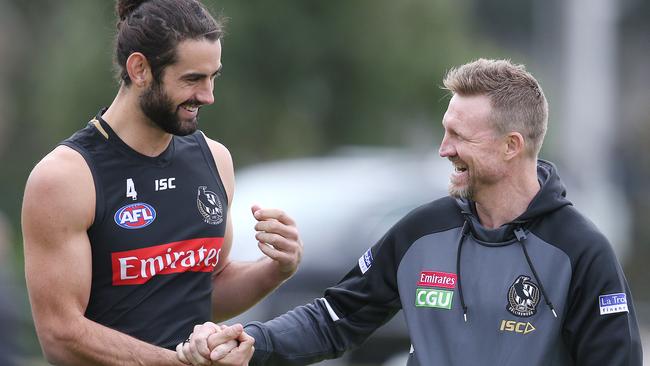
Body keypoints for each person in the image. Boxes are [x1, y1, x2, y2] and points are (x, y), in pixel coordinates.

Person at [181, 59, 643, 365]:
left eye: (461, 137)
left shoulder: (580, 251)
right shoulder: (422, 232)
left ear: (511, 147)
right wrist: (254, 341)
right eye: (445, 132)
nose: (444, 150)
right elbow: (335, 317)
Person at [21, 0, 303, 365]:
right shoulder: (65, 178)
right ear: (139, 69)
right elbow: (61, 335)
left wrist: (276, 270)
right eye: (192, 79)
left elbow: (204, 291)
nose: (208, 96)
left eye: (213, 77)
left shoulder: (215, 160)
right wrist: (177, 363)